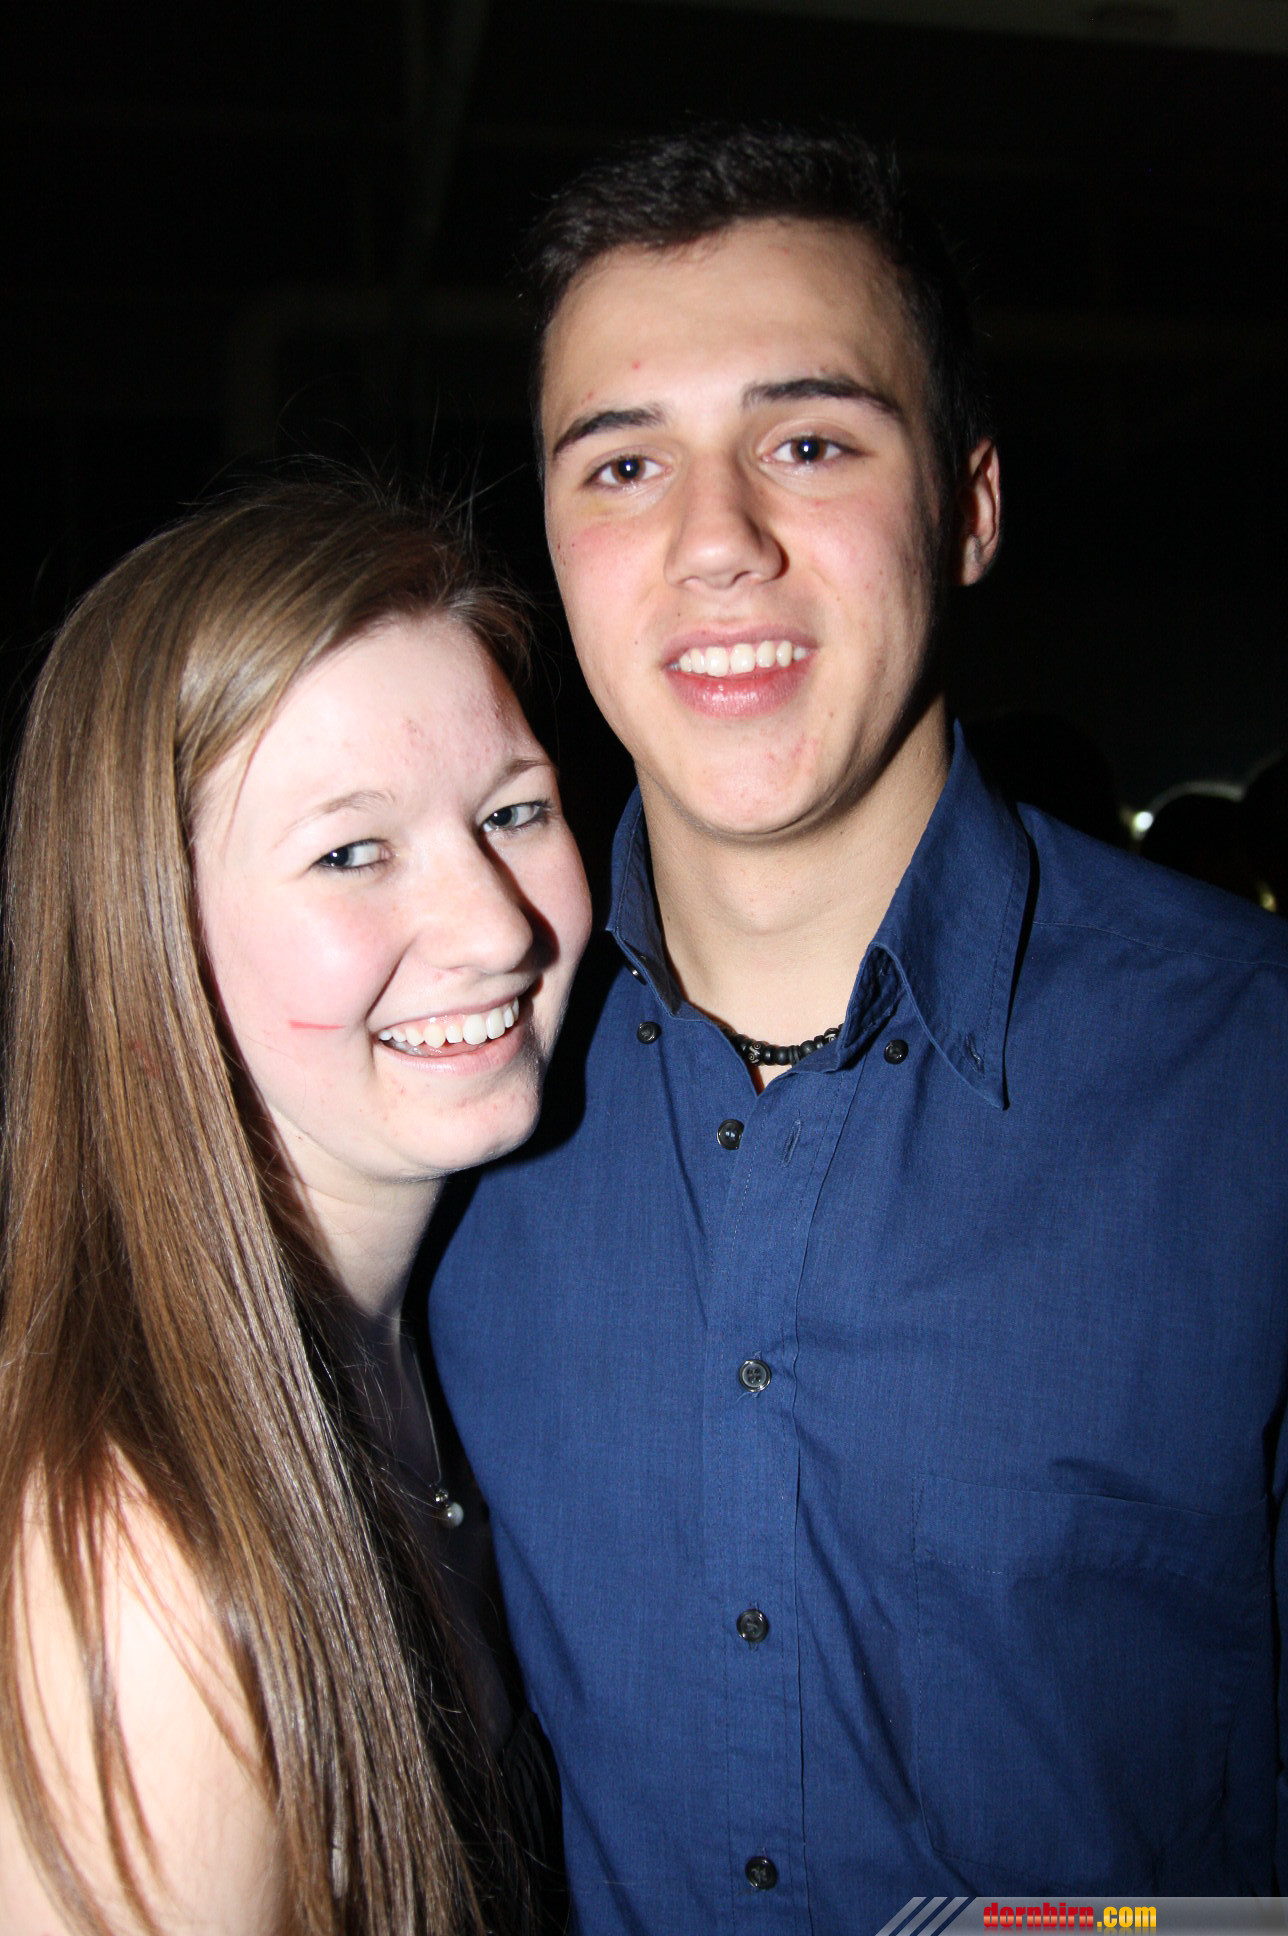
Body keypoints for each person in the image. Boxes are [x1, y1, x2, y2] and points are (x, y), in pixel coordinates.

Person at [426, 124, 1288, 1930]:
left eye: (808, 444)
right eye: (623, 466)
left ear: (971, 509)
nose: (713, 544)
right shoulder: (429, 1097)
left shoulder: (1251, 1079)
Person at [0, 478, 590, 1933]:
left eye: (514, 811)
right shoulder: (134, 1577)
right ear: (149, 939)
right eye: (350, 852)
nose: (496, 927)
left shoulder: (439, 1335)